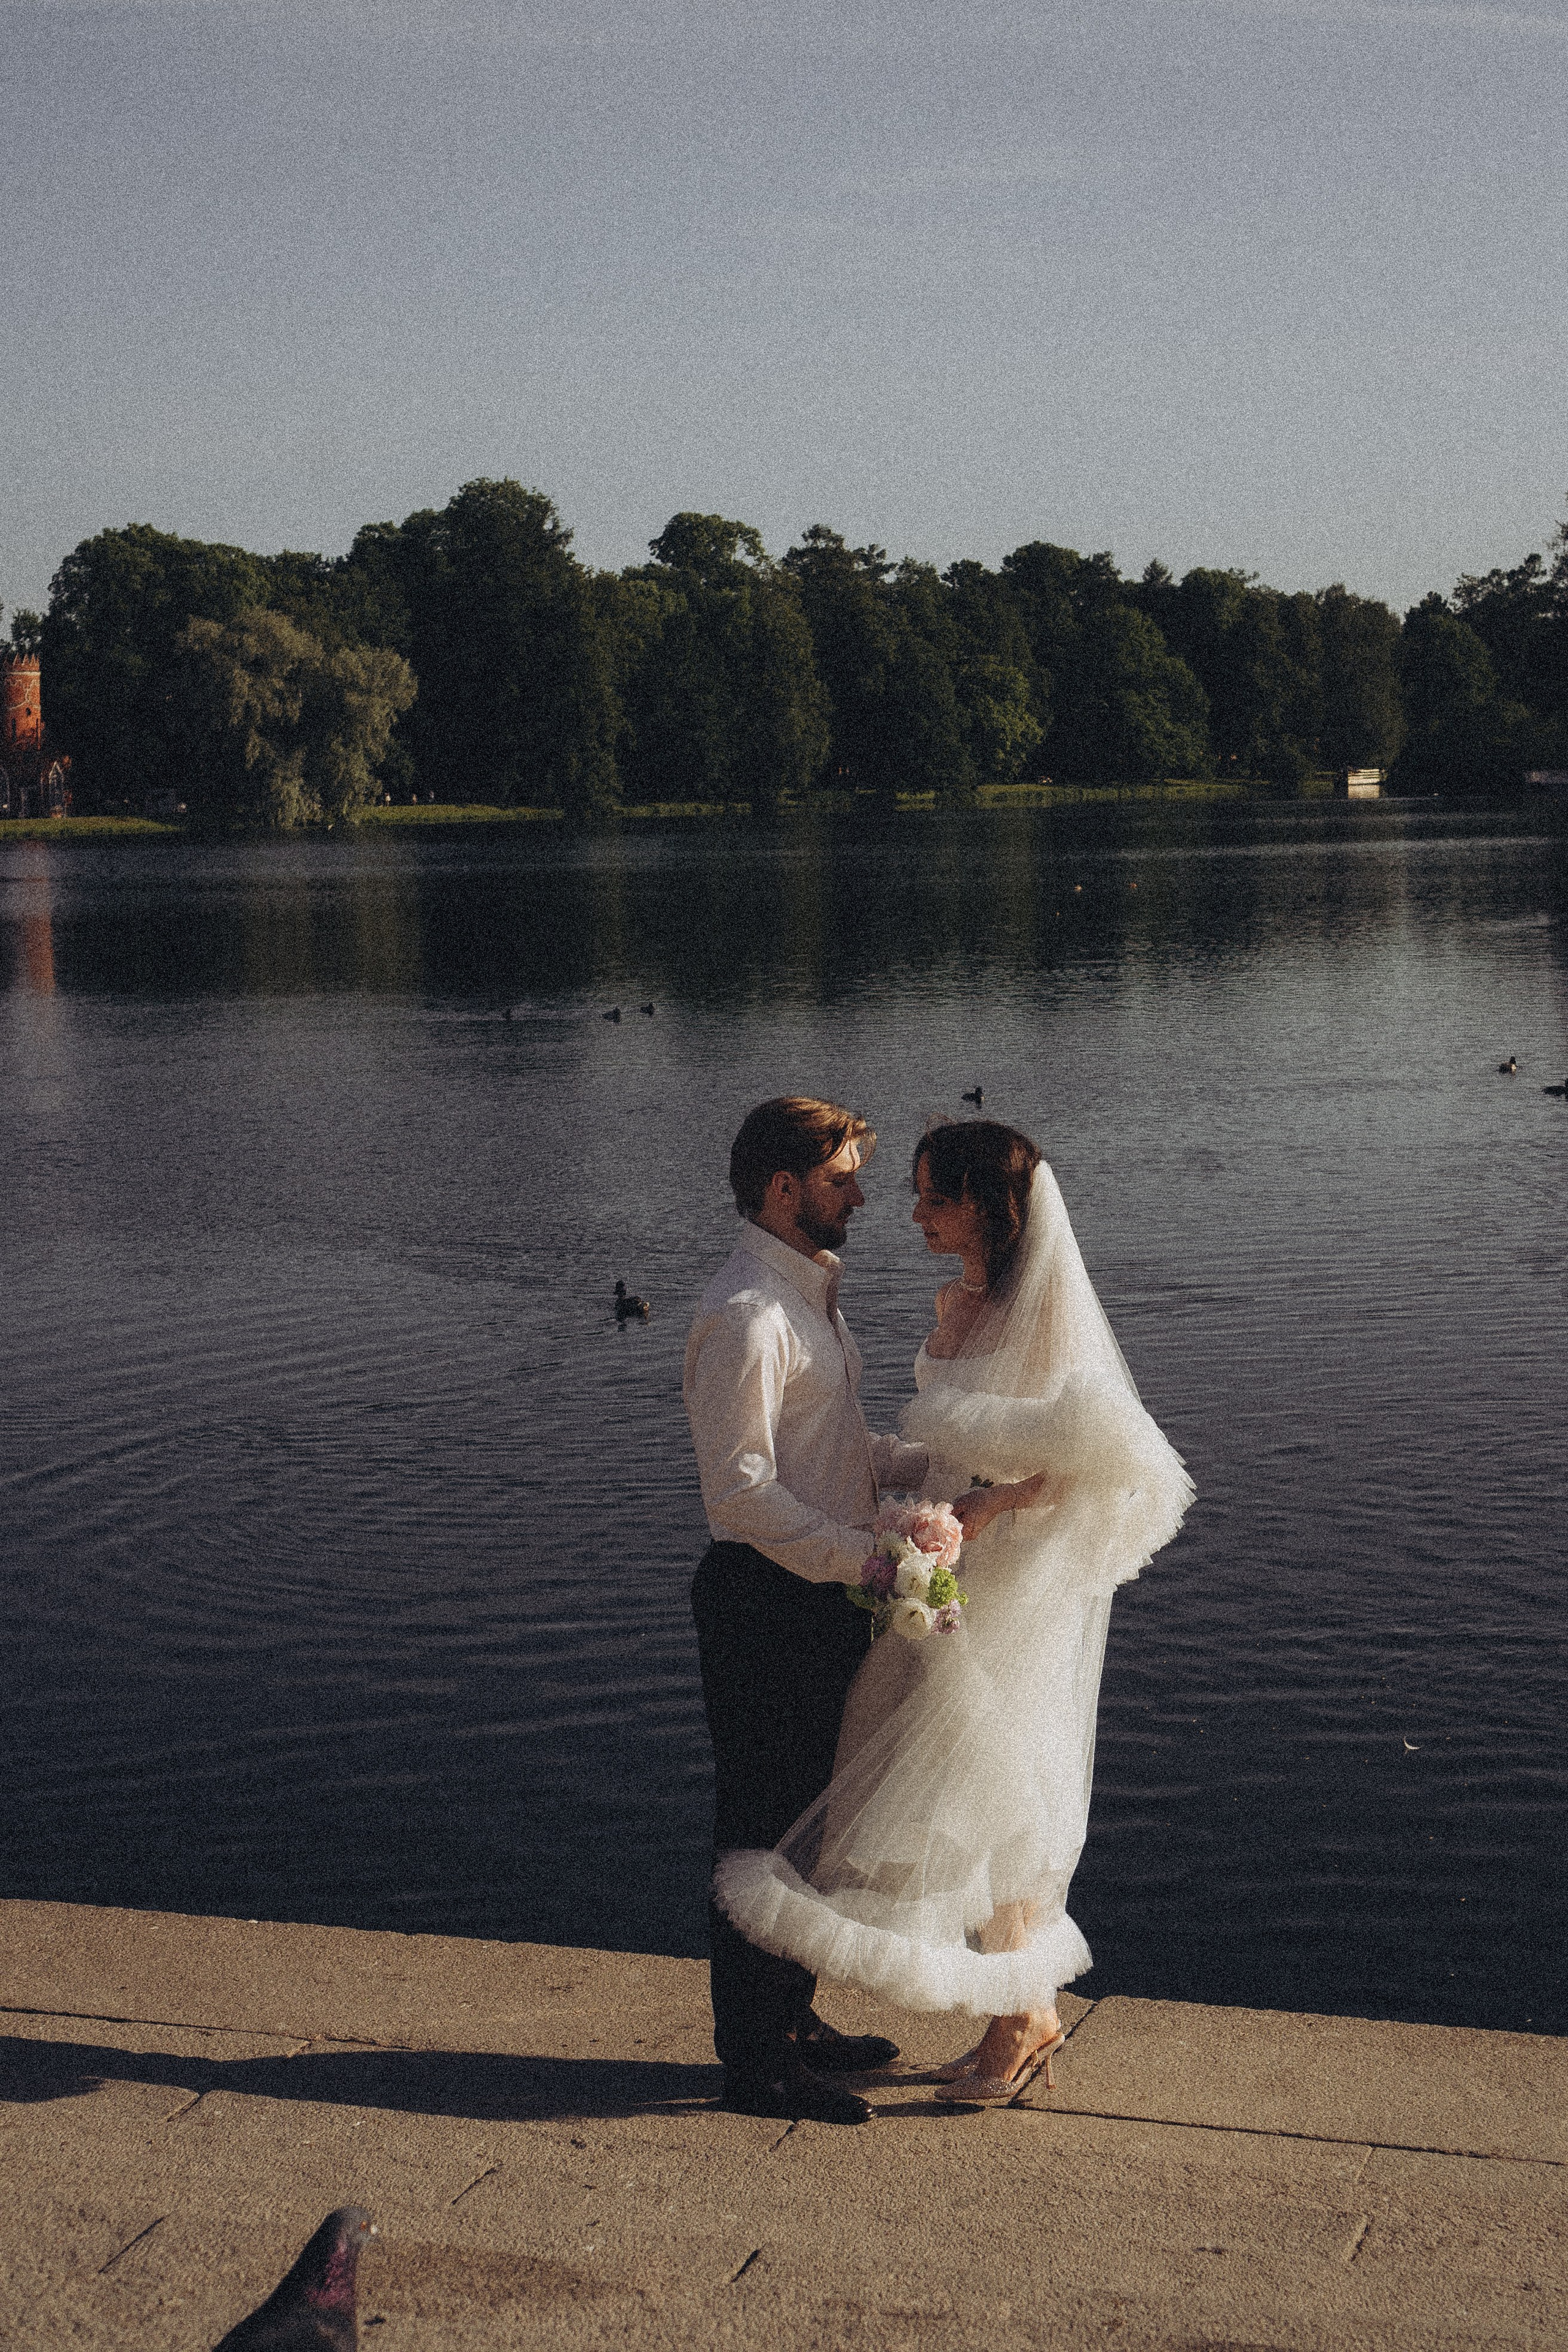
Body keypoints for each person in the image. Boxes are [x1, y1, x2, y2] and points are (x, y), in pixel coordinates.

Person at [714, 1120, 1194, 2105]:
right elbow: (920, 1454)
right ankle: (1017, 2018)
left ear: (987, 1206)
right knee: (969, 1789)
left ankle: (1019, 2020)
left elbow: (1105, 1460)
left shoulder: (1047, 1315)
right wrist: (906, 1513)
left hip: (1004, 1583)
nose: (909, 1210)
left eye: (934, 1196)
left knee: (989, 1791)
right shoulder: (949, 1302)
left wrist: (984, 1507)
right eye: (902, 1190)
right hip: (938, 1577)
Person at [684, 1096, 932, 2126]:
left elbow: (829, 1458)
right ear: (784, 1190)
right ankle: (757, 2063)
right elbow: (740, 1496)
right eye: (842, 1177)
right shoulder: (747, 1316)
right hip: (766, 1602)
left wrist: (934, 1466)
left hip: (813, 1593)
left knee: (809, 1826)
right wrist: (864, 1564)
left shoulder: (806, 1301)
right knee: (762, 1834)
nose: (862, 1195)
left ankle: (794, 2021)